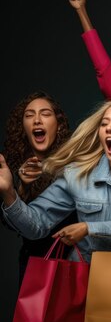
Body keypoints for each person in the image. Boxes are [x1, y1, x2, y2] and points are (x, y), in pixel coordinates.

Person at [1, 99, 111, 262]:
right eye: (104, 124)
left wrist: (89, 228)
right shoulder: (76, 176)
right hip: (89, 286)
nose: (109, 128)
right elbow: (35, 225)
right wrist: (8, 192)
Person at [2, 92, 74, 283]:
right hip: (33, 264)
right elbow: (13, 224)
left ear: (58, 126)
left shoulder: (74, 166)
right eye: (29, 115)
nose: (37, 120)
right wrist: (22, 187)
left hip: (73, 261)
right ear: (23, 129)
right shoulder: (11, 169)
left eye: (45, 114)